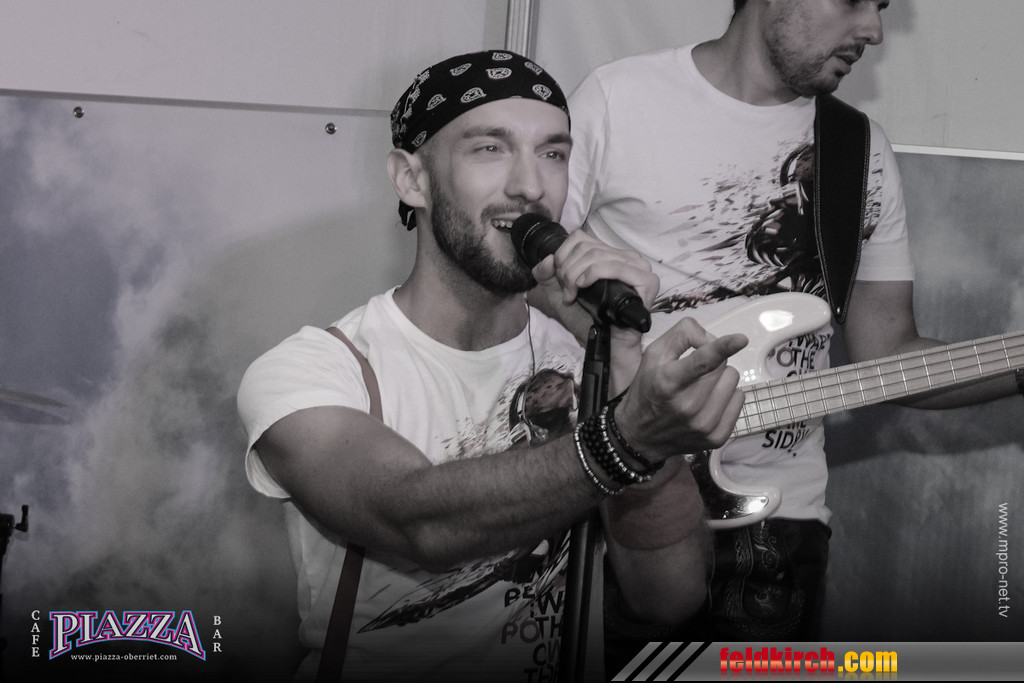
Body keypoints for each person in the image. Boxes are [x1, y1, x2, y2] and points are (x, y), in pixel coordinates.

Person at [237, 50, 750, 681]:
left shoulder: (584, 358)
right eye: (490, 149)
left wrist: (621, 360)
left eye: (553, 153)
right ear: (411, 179)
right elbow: (417, 522)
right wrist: (623, 440)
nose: (531, 186)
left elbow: (669, 598)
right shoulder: (313, 371)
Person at [545, 0, 1024, 641]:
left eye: (881, 8)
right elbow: (530, 274)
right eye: (855, 1)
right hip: (622, 495)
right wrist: (640, 389)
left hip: (776, 524)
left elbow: (889, 349)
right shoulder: (617, 98)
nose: (873, 31)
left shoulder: (859, 151)